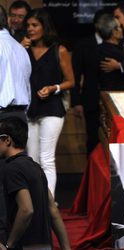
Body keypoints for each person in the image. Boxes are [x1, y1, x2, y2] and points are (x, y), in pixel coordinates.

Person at [25, 8, 74, 197]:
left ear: (45, 27)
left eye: (34, 25)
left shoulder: (59, 50)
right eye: (28, 25)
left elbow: (71, 81)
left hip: (52, 109)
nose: (30, 29)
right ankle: (36, 200)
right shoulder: (24, 49)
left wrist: (54, 88)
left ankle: (49, 203)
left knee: (46, 159)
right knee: (32, 159)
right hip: (31, 109)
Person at [0, 117, 70, 250]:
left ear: (7, 140)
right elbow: (53, 210)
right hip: (44, 245)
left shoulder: (12, 168)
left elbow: (26, 210)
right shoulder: (35, 167)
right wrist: (66, 248)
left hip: (24, 245)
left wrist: (9, 244)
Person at [0, 4, 31, 244]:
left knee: (3, 185)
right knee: (16, 180)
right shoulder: (19, 48)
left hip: (3, 117)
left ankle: (3, 240)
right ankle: (17, 239)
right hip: (20, 115)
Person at [70, 10, 105, 156]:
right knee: (92, 138)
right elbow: (75, 75)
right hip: (91, 98)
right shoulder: (83, 44)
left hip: (112, 98)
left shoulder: (119, 42)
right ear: (97, 25)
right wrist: (76, 101)